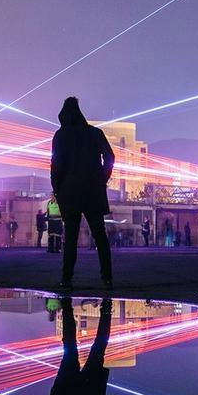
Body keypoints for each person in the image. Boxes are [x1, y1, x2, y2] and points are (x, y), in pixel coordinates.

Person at [50, 97, 115, 290]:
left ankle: (67, 279)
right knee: (100, 236)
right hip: (93, 192)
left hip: (70, 193)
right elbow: (110, 157)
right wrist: (102, 178)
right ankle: (107, 278)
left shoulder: (60, 136)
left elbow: (56, 165)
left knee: (70, 238)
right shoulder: (95, 133)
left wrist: (58, 188)